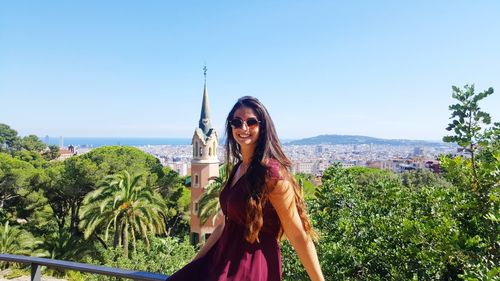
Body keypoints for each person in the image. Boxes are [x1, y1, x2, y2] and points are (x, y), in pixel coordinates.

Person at [168, 96, 324, 281]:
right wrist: (195, 264)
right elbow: (223, 225)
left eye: (251, 122)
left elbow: (297, 234)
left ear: (262, 126)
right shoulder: (238, 168)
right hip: (222, 260)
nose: (243, 128)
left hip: (250, 266)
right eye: (236, 122)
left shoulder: (272, 175)